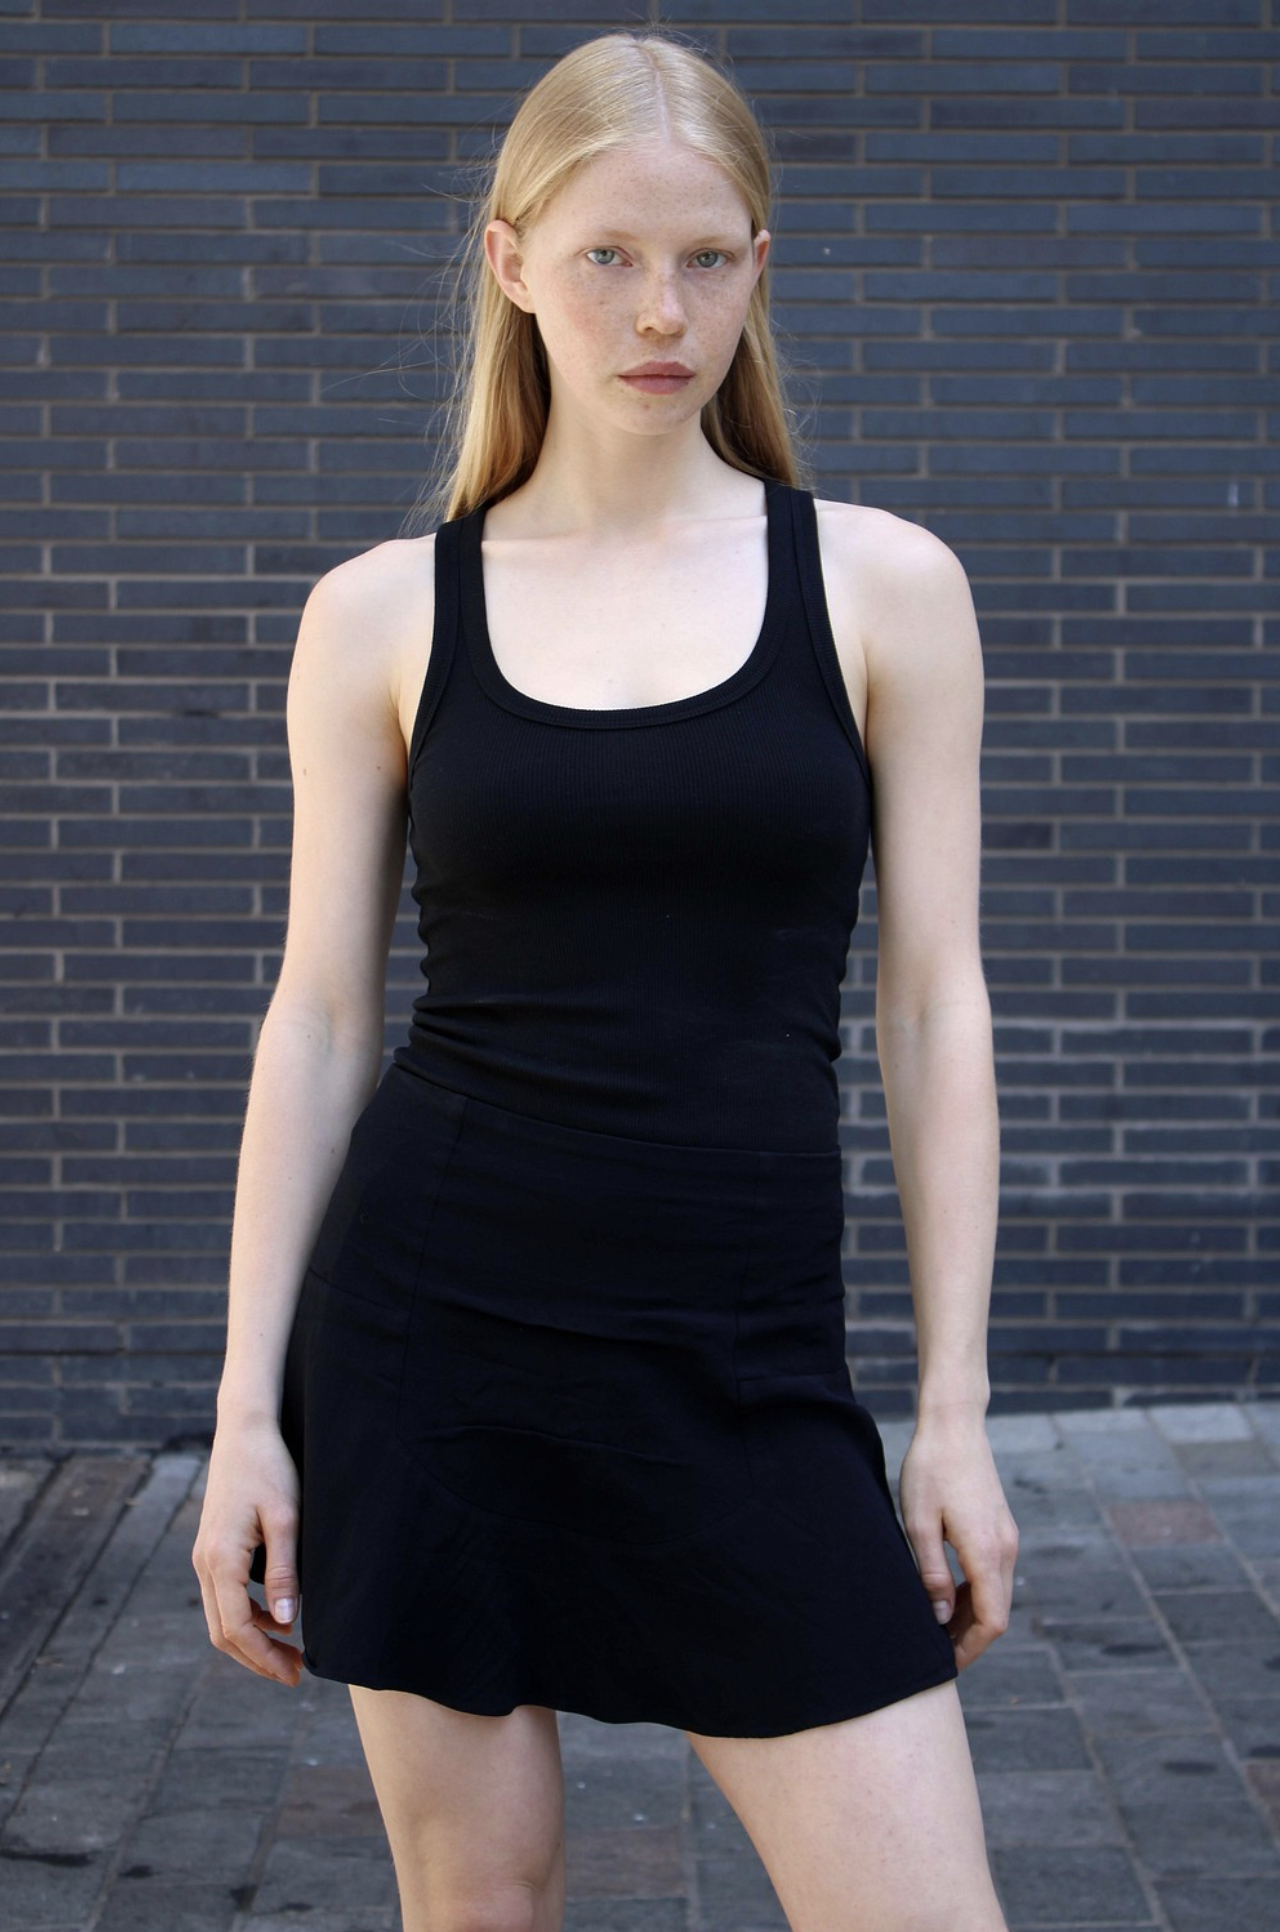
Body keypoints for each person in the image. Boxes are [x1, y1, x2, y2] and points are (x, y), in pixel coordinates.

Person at [192, 29, 1019, 1932]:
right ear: (509, 263)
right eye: (608, 258)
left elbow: (932, 1008)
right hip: (433, 1349)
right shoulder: (382, 612)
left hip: (745, 1364)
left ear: (759, 265)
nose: (662, 312)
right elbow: (320, 1017)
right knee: (481, 1904)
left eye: (707, 258)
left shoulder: (884, 587)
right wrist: (244, 1412)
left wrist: (955, 1410)